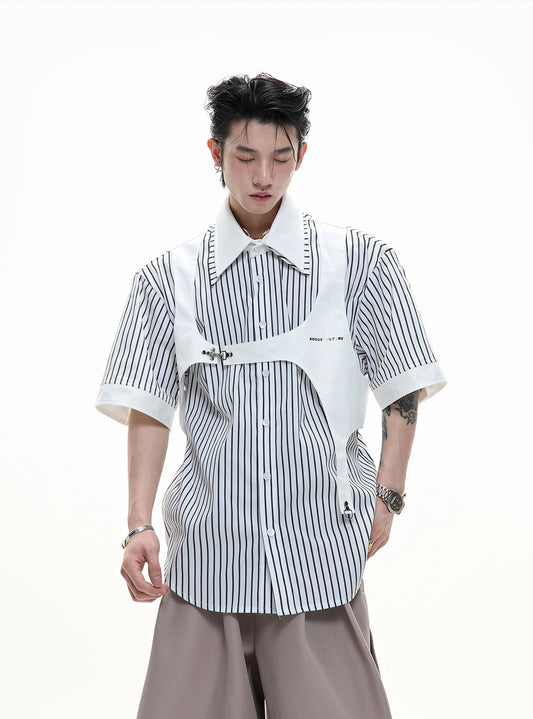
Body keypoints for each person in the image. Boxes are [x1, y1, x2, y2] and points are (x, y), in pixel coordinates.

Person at [95, 73, 446, 719]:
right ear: (215, 152)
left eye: (281, 157)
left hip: (319, 553)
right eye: (245, 156)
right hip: (208, 557)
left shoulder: (360, 261)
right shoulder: (167, 279)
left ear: (301, 155)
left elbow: (402, 383)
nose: (263, 176)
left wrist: (389, 495)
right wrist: (138, 522)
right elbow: (148, 406)